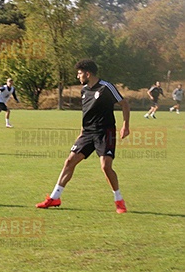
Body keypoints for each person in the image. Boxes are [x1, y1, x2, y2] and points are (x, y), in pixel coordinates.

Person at [36, 59, 130, 214]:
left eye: (79, 73)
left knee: (106, 167)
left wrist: (125, 125)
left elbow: (124, 104)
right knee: (69, 162)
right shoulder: (84, 90)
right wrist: (81, 133)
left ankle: (119, 200)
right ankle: (55, 197)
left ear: (87, 73)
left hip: (105, 132)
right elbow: (86, 113)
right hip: (87, 133)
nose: (77, 76)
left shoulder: (106, 87)